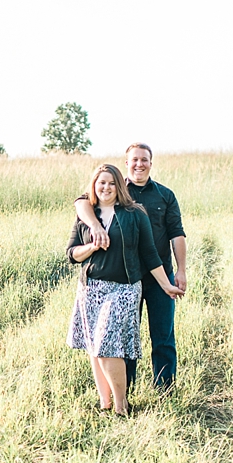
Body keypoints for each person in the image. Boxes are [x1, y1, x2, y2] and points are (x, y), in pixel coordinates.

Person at [66, 164, 184, 416]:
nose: (106, 187)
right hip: (91, 288)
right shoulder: (87, 214)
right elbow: (72, 254)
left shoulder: (135, 213)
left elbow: (150, 254)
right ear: (94, 186)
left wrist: (166, 285)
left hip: (124, 288)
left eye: (111, 183)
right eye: (101, 183)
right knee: (95, 347)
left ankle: (122, 406)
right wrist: (92, 246)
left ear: (119, 186)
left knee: (108, 344)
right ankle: (105, 403)